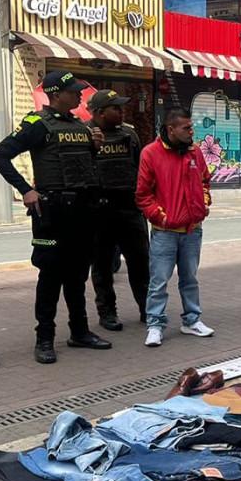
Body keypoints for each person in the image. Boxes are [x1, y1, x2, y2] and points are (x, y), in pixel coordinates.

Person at [0, 70, 113, 364]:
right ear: (57, 94)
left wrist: (94, 149)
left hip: (82, 211)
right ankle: (44, 338)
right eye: (73, 91)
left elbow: (83, 166)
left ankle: (80, 332)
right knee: (50, 276)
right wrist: (25, 190)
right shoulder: (37, 124)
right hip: (52, 212)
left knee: (77, 275)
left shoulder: (81, 127)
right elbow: (0, 155)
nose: (79, 95)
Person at [135, 107, 214, 347]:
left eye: (191, 127)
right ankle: (155, 325)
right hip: (165, 232)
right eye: (186, 128)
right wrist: (162, 218)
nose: (192, 132)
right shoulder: (150, 153)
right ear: (171, 129)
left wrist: (204, 205)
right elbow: (143, 195)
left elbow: (204, 181)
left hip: (193, 229)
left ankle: (192, 320)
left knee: (190, 278)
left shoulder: (195, 152)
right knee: (159, 281)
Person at [86, 90, 149, 332]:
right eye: (117, 108)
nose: (122, 112)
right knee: (102, 266)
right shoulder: (85, 133)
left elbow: (139, 168)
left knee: (141, 263)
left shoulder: (129, 134)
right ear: (101, 112)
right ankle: (107, 312)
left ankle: (147, 308)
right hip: (100, 212)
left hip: (130, 210)